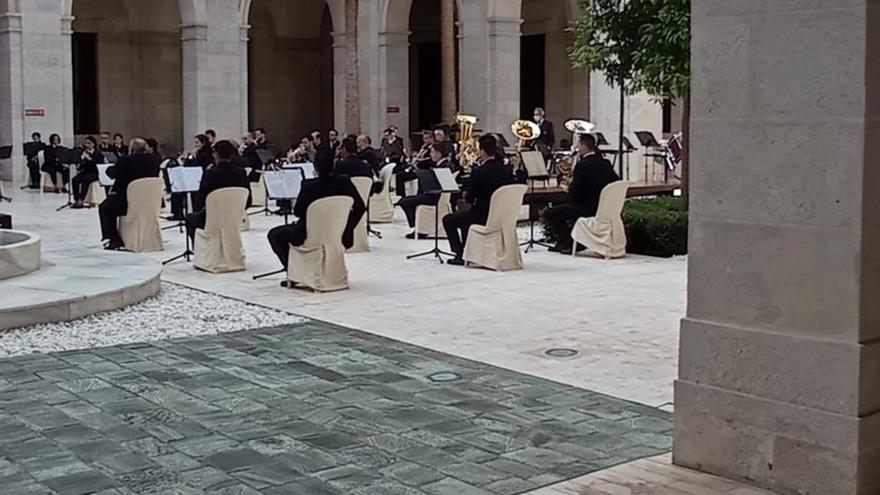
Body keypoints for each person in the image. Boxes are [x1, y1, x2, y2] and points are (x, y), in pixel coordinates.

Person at [266, 148, 366, 285]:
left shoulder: (309, 186)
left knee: (275, 235)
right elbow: (360, 207)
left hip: (310, 234)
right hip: (337, 233)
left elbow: (298, 212)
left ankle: (293, 272)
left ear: (315, 166)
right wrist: (347, 227)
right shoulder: (345, 182)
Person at [442, 135, 517, 265]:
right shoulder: (507, 170)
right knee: (466, 217)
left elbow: (470, 198)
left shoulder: (480, 171)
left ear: (482, 151)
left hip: (482, 215)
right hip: (503, 216)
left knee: (449, 220)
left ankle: (460, 253)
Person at [543, 133, 621, 253]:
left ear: (584, 145)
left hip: (586, 207)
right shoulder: (605, 163)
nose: (577, 148)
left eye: (578, 145)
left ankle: (568, 242)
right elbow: (615, 182)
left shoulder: (583, 165)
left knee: (550, 213)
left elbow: (576, 194)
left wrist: (567, 187)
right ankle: (565, 242)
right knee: (559, 202)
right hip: (601, 207)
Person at [99, 138, 161, 250]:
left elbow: (112, 173)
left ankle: (114, 239)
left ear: (131, 149)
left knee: (105, 208)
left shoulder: (125, 160)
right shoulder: (154, 160)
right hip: (149, 201)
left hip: (127, 202)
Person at [185, 140, 250, 241]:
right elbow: (248, 200)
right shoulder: (241, 172)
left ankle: (199, 249)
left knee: (190, 219)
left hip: (214, 217)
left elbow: (201, 199)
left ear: (215, 154)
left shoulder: (210, 173)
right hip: (234, 215)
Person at [399, 141, 452, 239]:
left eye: (432, 152)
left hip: (435, 196)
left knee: (404, 201)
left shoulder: (444, 166)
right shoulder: (442, 164)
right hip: (433, 194)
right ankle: (419, 227)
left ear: (439, 153)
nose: (431, 154)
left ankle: (419, 228)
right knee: (405, 200)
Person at [168, 134, 214, 220]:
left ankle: (180, 214)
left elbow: (191, 166)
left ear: (203, 143)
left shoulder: (203, 155)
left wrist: (187, 158)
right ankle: (179, 213)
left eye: (197, 142)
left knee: (179, 189)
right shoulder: (203, 153)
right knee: (177, 189)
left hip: (198, 179)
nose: (195, 145)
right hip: (197, 178)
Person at [71, 136, 105, 209]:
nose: (87, 145)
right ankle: (76, 199)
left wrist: (88, 158)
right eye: (86, 143)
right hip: (86, 171)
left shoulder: (98, 154)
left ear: (93, 144)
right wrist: (80, 161)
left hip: (95, 173)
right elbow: (82, 167)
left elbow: (96, 166)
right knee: (75, 179)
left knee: (85, 180)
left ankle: (81, 199)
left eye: (89, 143)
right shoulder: (84, 153)